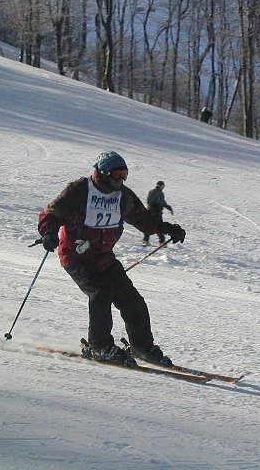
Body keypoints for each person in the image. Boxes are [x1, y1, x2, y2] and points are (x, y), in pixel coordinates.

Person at [38, 151, 186, 365]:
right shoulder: (80, 191)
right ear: (103, 173)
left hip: (104, 258)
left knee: (132, 300)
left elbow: (143, 219)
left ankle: (141, 346)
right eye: (117, 174)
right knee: (100, 294)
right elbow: (51, 214)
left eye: (124, 174)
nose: (121, 180)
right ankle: (99, 346)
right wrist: (48, 233)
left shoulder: (122, 196)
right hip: (76, 257)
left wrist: (168, 228)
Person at [142, 180, 173, 246]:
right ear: (159, 186)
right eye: (162, 186)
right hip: (152, 212)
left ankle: (157, 241)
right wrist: (154, 208)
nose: (163, 187)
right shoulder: (153, 192)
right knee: (153, 227)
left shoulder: (161, 193)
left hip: (158, 213)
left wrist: (169, 208)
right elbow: (149, 201)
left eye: (163, 186)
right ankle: (159, 241)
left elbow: (163, 203)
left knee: (155, 227)